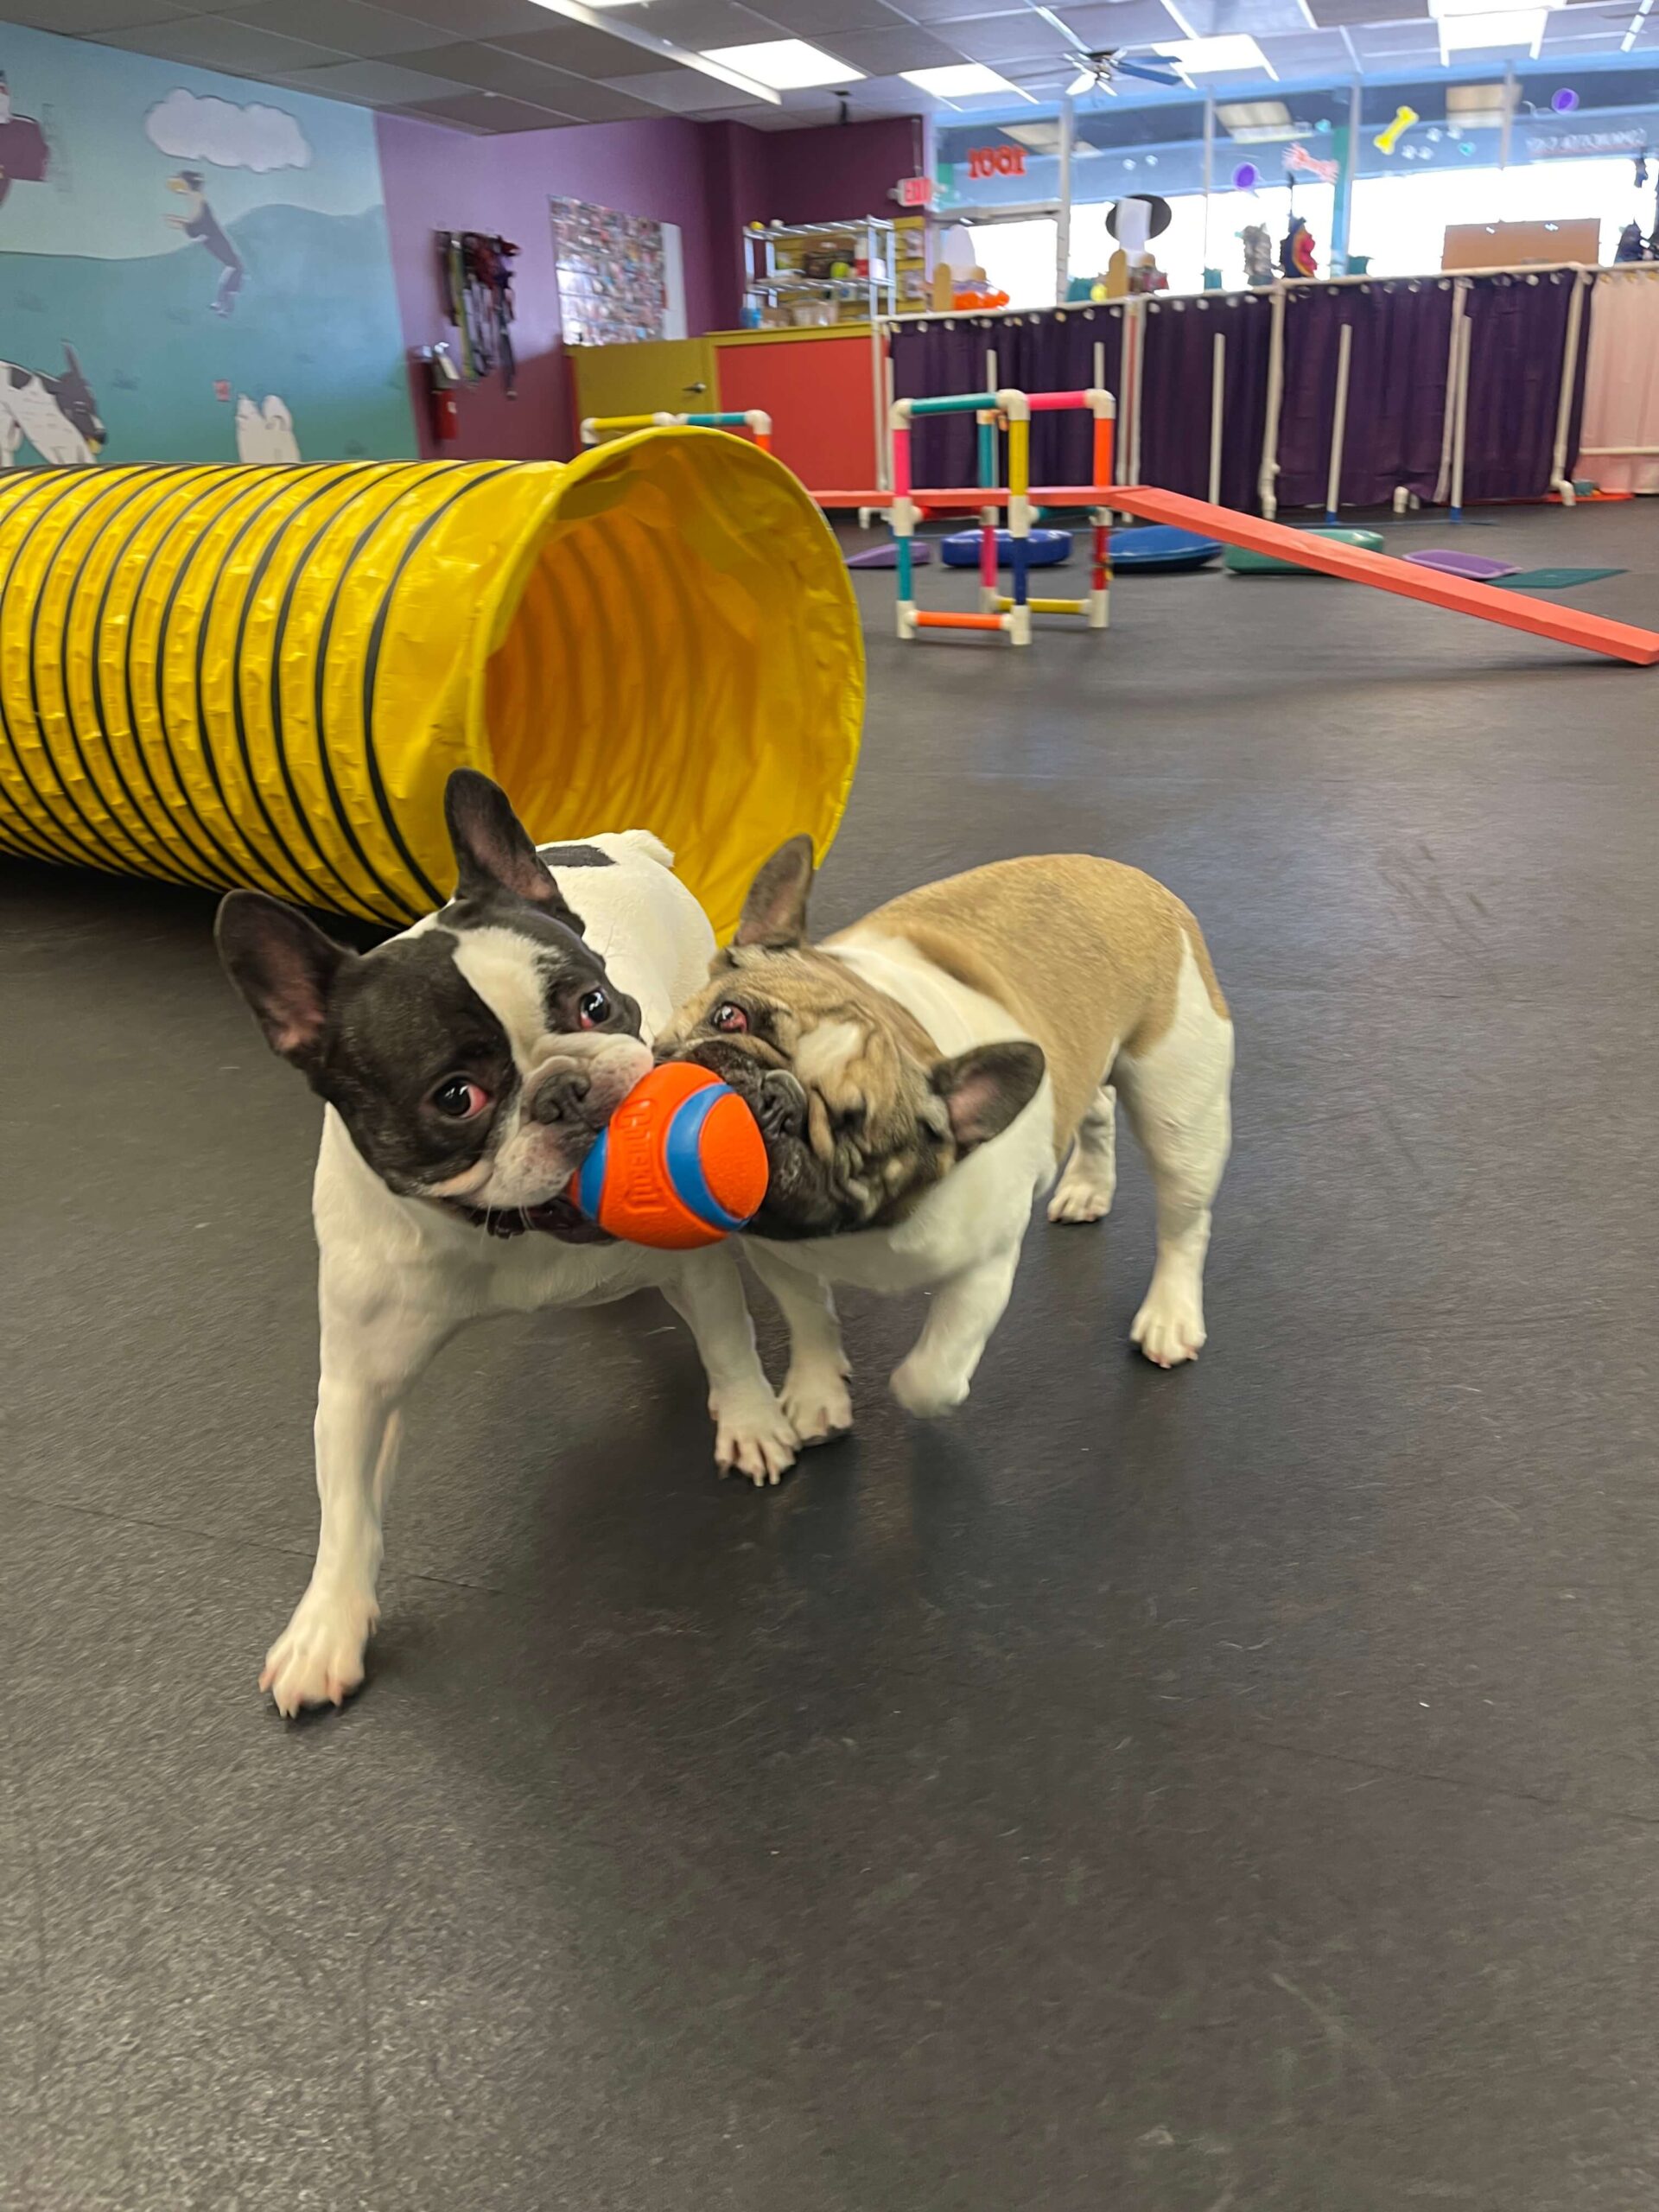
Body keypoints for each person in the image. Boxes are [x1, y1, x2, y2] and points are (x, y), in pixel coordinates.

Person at [166, 169, 245, 316]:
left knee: (231, 274)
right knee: (230, 274)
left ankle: (224, 306)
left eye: (181, 181)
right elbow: (198, 226)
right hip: (220, 247)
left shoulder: (196, 199)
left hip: (221, 249)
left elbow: (198, 227)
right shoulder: (197, 199)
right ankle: (223, 305)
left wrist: (182, 225)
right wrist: (183, 224)